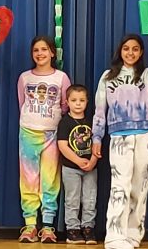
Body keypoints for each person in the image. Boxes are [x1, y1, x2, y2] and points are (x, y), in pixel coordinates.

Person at [92, 33, 148, 249]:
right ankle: (114, 236)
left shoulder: (147, 75)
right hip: (119, 136)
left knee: (140, 185)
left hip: (145, 135)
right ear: (120, 51)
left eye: (135, 49)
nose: (130, 52)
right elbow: (100, 109)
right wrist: (96, 136)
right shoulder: (108, 76)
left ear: (141, 52)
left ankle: (133, 233)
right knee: (120, 185)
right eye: (126, 48)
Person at [16, 35, 70, 243]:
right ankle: (30, 224)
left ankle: (48, 225)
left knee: (50, 179)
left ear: (52, 53)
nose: (40, 54)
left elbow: (65, 106)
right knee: (28, 179)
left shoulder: (61, 78)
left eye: (44, 50)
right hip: (28, 131)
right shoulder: (24, 78)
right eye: (36, 50)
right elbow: (21, 101)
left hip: (52, 134)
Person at [58, 85, 97, 245]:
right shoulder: (65, 122)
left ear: (87, 102)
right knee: (72, 200)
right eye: (74, 100)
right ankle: (72, 230)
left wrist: (93, 161)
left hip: (90, 168)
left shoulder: (92, 121)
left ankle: (88, 228)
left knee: (90, 199)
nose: (78, 104)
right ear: (67, 102)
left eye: (82, 100)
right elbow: (62, 145)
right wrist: (78, 160)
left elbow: (97, 143)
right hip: (71, 168)